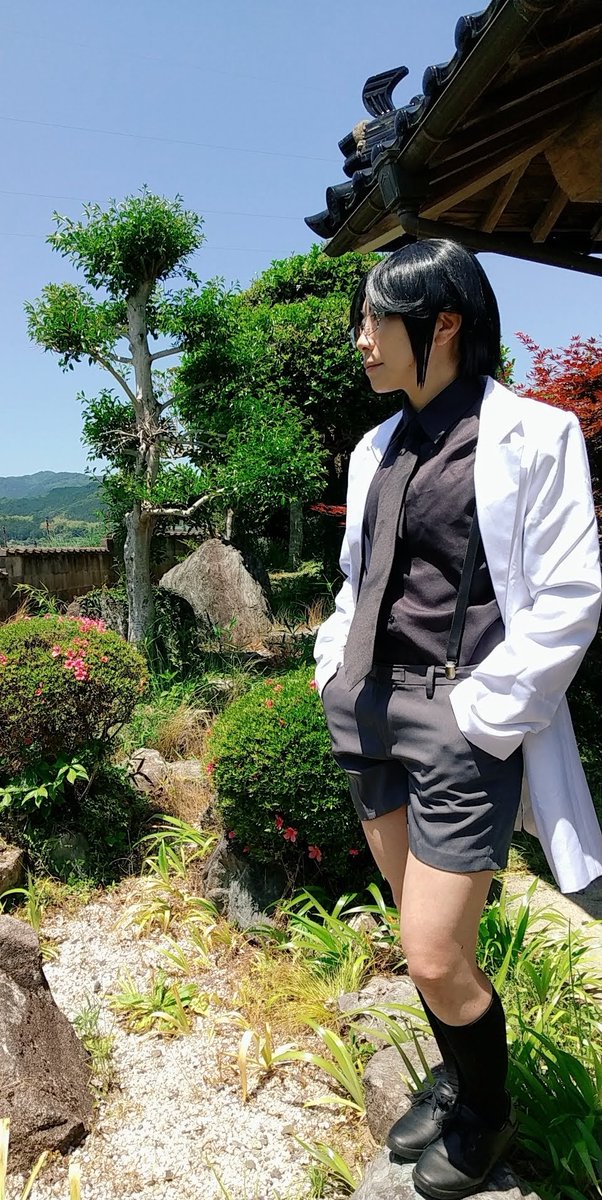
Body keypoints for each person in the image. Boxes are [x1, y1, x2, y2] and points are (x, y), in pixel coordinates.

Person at [314, 239, 602, 1199]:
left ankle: (487, 1109)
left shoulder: (536, 434)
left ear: (442, 324)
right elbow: (358, 576)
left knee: (434, 953)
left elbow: (568, 597)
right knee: (423, 935)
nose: (361, 340)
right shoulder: (377, 445)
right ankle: (457, 1078)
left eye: (375, 321)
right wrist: (331, 665)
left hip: (458, 714)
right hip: (368, 708)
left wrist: (482, 713)